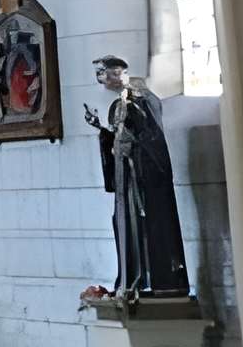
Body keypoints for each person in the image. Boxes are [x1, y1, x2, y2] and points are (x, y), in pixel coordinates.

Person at [82, 56, 191, 301]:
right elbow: (118, 134)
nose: (100, 79)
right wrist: (102, 129)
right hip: (127, 178)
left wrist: (130, 145)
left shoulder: (143, 99)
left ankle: (157, 280)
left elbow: (152, 137)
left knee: (149, 227)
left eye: (104, 73)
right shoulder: (120, 102)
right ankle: (134, 279)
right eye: (98, 74)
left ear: (119, 72)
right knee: (125, 225)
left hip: (144, 178)